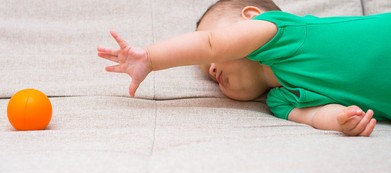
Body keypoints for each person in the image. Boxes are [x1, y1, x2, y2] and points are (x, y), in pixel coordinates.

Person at [97, 0, 391, 136]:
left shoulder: (279, 33)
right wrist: (341, 120)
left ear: (251, 18)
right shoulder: (280, 100)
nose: (212, 70)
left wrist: (151, 57)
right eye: (207, 72)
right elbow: (316, 116)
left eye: (210, 58)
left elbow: (212, 43)